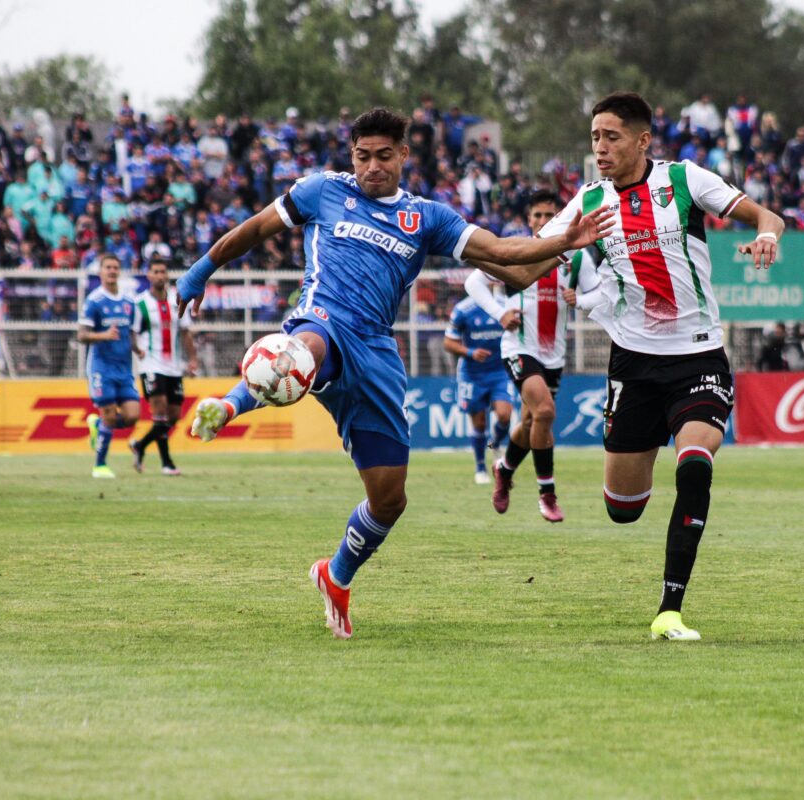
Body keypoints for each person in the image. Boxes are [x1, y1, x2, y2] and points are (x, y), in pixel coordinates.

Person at [174, 108, 613, 639]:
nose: (372, 167)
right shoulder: (321, 190)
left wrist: (563, 241)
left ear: (404, 155)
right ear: (351, 154)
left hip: (378, 354)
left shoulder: (427, 217)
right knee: (305, 349)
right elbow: (253, 228)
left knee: (389, 500)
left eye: (384, 156)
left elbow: (504, 257)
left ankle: (336, 575)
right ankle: (229, 405)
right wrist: (201, 269)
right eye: (363, 156)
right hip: (323, 321)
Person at [526, 92, 783, 641]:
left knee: (694, 464)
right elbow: (528, 261)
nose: (600, 148)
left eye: (611, 137)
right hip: (634, 365)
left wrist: (765, 235)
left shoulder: (685, 180)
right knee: (623, 508)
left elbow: (767, 216)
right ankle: (636, 495)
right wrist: (480, 253)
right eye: (595, 137)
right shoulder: (589, 200)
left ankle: (670, 609)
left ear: (643, 141)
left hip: (698, 356)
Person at [464, 189, 601, 522]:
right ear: (529, 220)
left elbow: (599, 292)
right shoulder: (520, 252)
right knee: (545, 411)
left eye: (549, 215)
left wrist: (580, 299)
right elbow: (474, 283)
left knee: (530, 423)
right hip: (519, 348)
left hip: (554, 355)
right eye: (537, 215)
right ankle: (547, 494)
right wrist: (500, 313)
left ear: (559, 218)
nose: (542, 221)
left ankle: (504, 469)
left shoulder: (576, 256)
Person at [130, 256, 197, 476]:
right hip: (150, 365)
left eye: (163, 272)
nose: (160, 276)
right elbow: (131, 332)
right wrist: (136, 349)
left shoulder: (178, 300)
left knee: (174, 415)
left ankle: (140, 445)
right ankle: (167, 463)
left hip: (174, 366)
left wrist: (193, 359)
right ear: (148, 275)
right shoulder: (140, 303)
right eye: (156, 272)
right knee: (159, 412)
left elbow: (186, 332)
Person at [442, 291, 516, 484]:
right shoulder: (462, 310)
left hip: (500, 370)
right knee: (479, 422)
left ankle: (495, 444)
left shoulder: (504, 305)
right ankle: (480, 467)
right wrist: (470, 352)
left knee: (505, 415)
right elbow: (448, 343)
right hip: (472, 373)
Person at [79, 254, 142, 478]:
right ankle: (100, 465)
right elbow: (82, 335)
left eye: (115, 267)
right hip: (101, 368)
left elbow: (130, 333)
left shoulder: (129, 302)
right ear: (101, 272)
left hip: (124, 370)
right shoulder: (94, 301)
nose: (112, 271)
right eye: (108, 267)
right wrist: (103, 335)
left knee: (132, 415)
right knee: (109, 416)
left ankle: (98, 425)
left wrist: (137, 349)